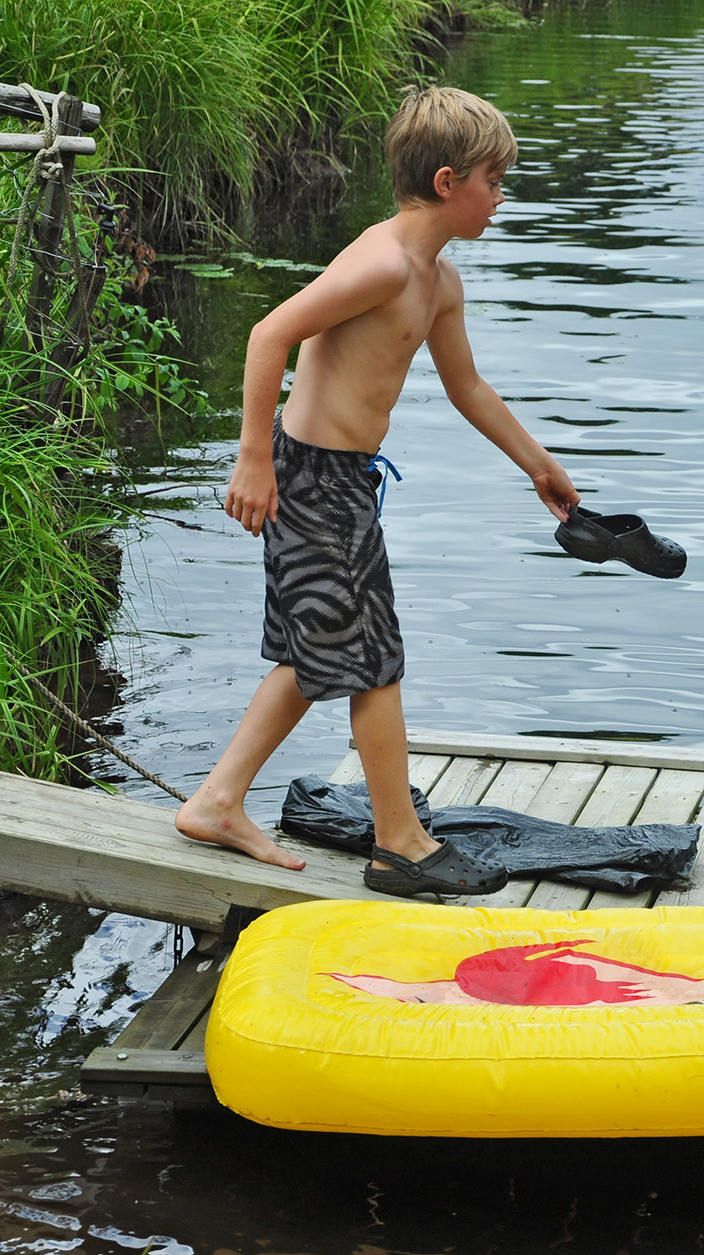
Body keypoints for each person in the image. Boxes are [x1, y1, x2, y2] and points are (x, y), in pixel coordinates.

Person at [175, 87, 579, 894]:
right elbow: (269, 334)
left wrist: (536, 462)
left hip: (346, 482)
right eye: (494, 181)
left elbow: (466, 387)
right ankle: (400, 844)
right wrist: (253, 456)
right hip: (309, 478)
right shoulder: (384, 262)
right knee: (373, 660)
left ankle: (219, 800)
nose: (502, 197)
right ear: (445, 181)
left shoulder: (437, 282)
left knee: (315, 650)